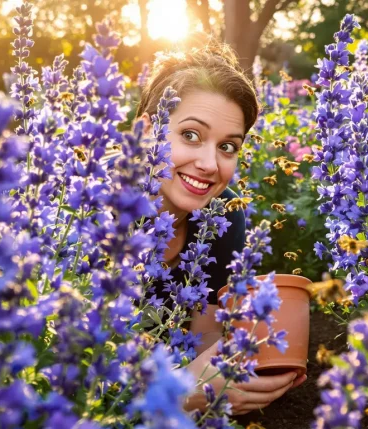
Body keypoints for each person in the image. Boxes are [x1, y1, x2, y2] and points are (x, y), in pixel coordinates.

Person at [132, 40, 307, 415]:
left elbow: (203, 334)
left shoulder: (222, 214)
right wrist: (183, 391)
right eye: (190, 135)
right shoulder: (92, 209)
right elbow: (72, 374)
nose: (210, 164)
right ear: (144, 132)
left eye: (228, 147)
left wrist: (239, 369)